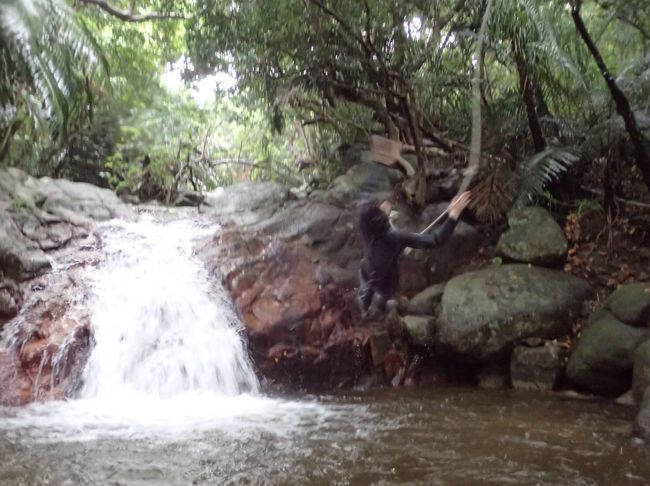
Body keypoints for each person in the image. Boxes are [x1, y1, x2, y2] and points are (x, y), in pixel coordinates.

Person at [356, 191, 472, 319]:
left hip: (366, 279)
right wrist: (453, 215)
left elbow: (365, 209)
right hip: (380, 294)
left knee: (374, 302)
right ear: (377, 217)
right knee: (389, 308)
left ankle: (369, 308)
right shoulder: (394, 237)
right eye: (380, 206)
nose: (385, 203)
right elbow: (435, 240)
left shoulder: (366, 230)